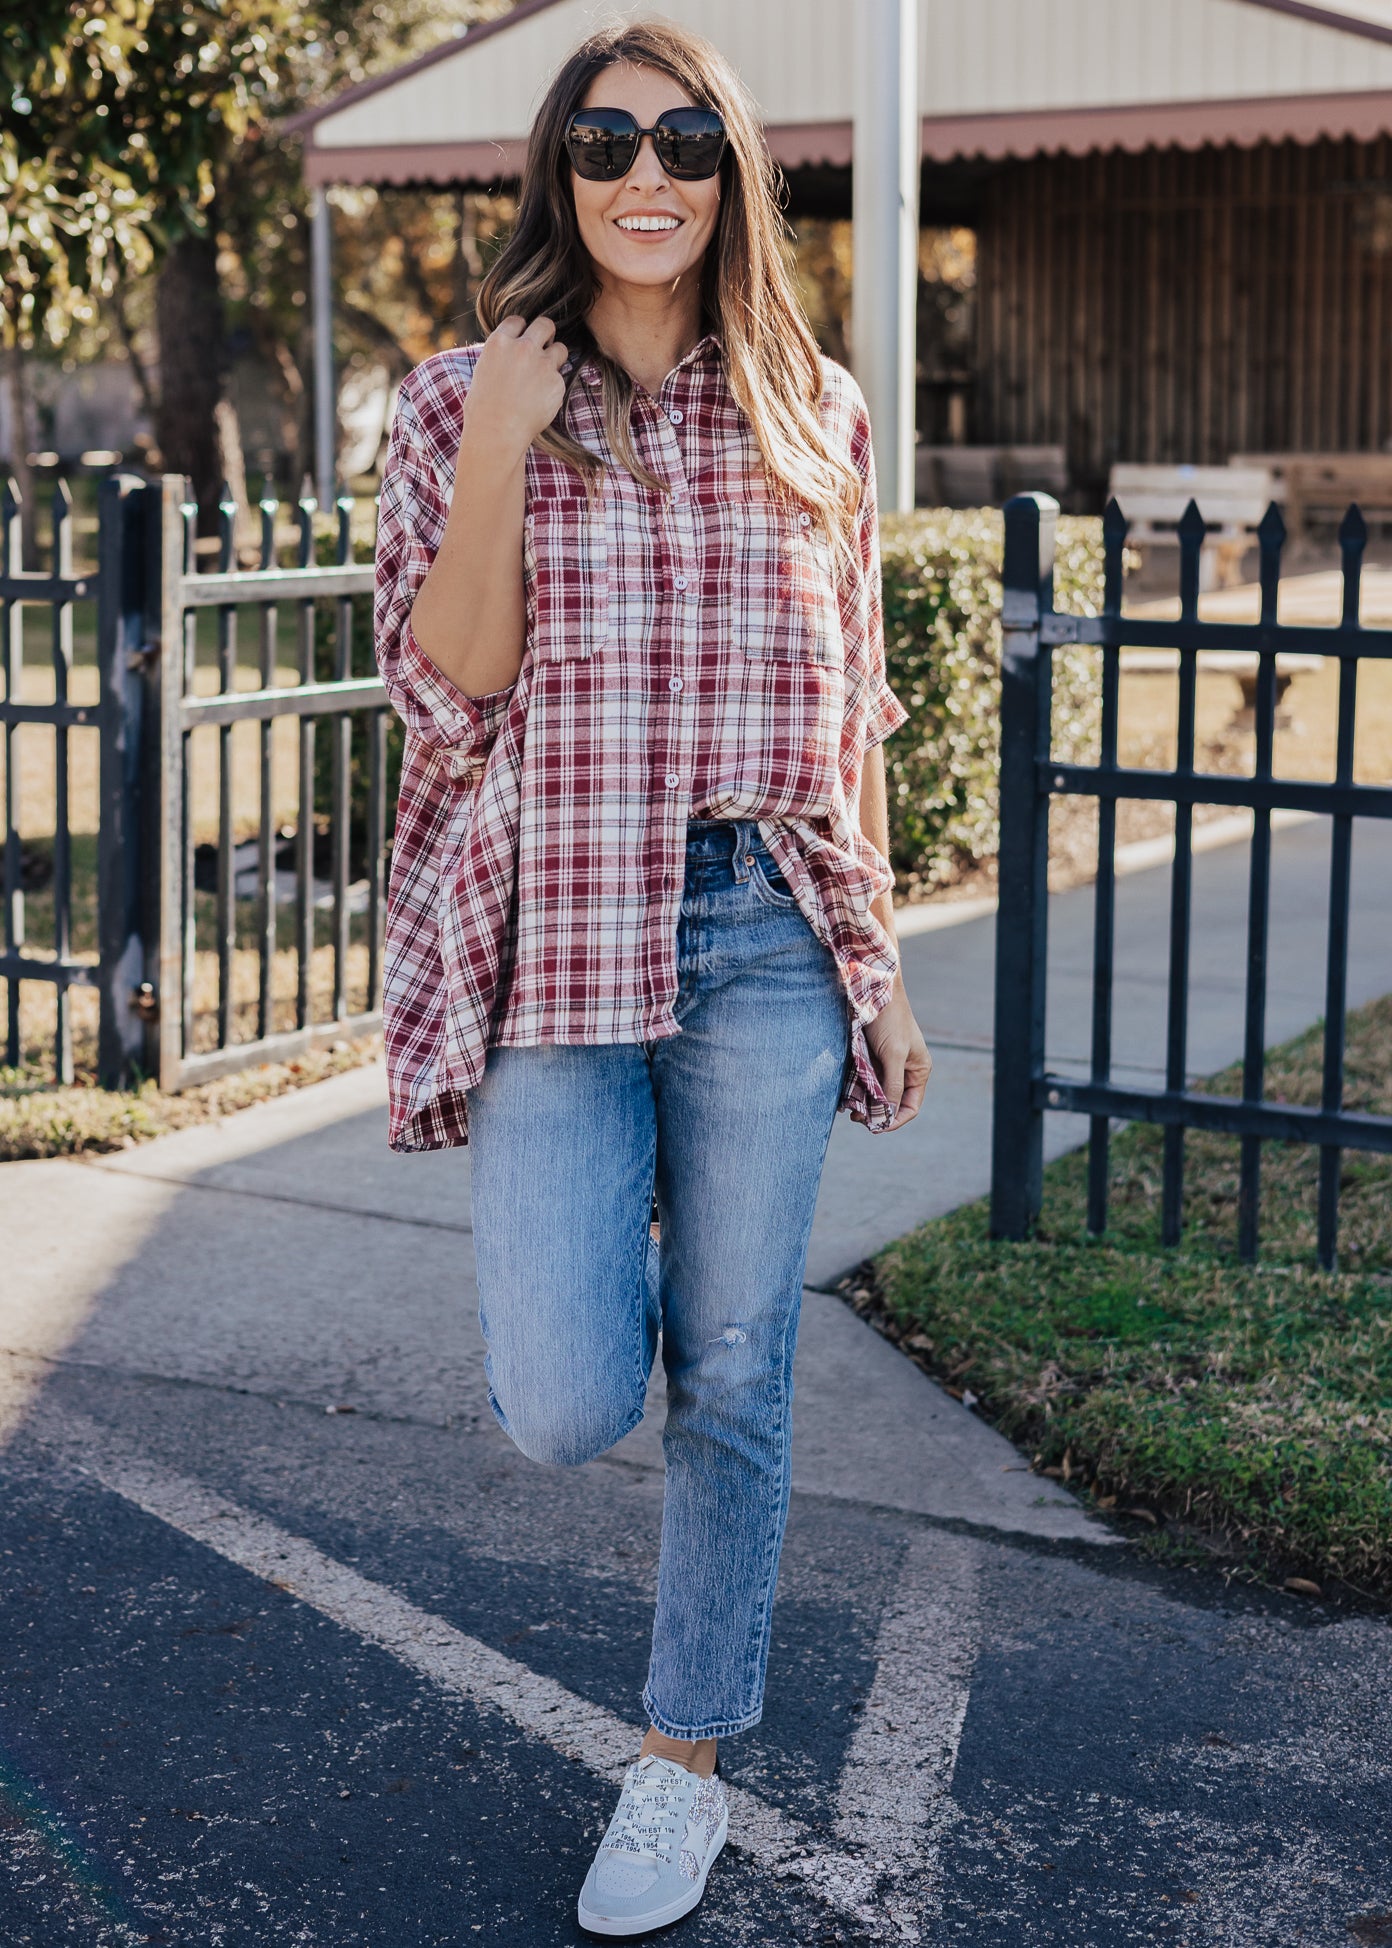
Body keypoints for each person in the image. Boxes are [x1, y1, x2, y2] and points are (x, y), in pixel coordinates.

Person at [372, 18, 932, 1938]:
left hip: (767, 932)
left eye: (683, 139)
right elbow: (445, 695)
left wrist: (884, 960)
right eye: (606, 138)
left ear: (729, 174)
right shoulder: (463, 399)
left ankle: (680, 1761)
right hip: (558, 936)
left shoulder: (813, 409)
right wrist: (510, 449)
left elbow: (851, 711)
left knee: (744, 1373)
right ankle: (633, 1229)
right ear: (560, 167)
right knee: (561, 1397)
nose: (645, 172)